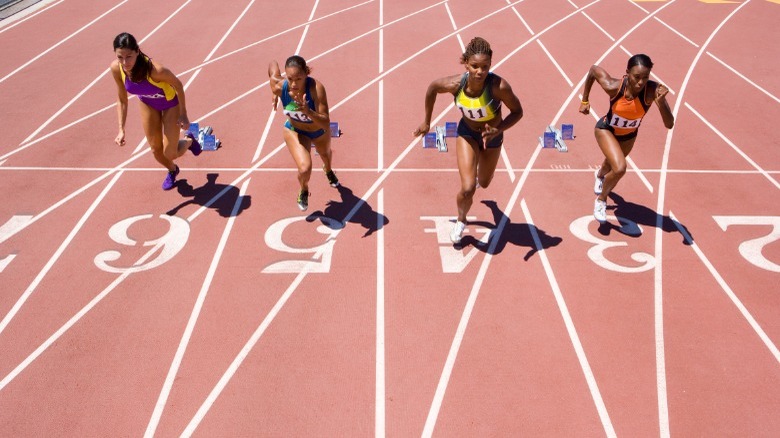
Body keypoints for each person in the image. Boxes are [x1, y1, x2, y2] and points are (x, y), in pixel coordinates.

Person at [414, 37, 523, 244]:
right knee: (467, 188)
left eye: (485, 66)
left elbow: (518, 112)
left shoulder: (499, 87)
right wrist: (427, 122)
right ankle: (461, 220)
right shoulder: (456, 85)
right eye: (474, 66)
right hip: (467, 133)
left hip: (493, 136)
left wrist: (498, 129)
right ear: (466, 63)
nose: (480, 72)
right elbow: (432, 88)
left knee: (484, 182)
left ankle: (487, 196)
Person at [579, 54, 674, 222]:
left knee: (610, 164)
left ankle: (600, 176)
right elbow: (593, 70)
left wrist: (662, 102)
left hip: (629, 136)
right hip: (606, 130)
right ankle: (601, 200)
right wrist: (585, 100)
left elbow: (669, 124)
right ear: (627, 73)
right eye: (636, 77)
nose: (640, 82)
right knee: (620, 168)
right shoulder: (614, 87)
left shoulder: (653, 91)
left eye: (645, 77)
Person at [110, 32, 208, 191]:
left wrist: (184, 114)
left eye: (129, 57)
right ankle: (172, 170)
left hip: (169, 104)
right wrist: (121, 129)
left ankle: (189, 140)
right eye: (120, 57)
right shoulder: (117, 68)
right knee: (156, 150)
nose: (124, 62)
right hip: (147, 103)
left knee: (170, 152)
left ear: (137, 51)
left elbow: (178, 85)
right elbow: (122, 99)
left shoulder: (156, 70)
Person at [268, 55, 339, 211]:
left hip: (318, 131)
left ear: (307, 73)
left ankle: (328, 170)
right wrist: (273, 91)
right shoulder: (281, 86)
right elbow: (273, 63)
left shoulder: (316, 88)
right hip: (295, 131)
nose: (293, 84)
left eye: (298, 79)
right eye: (290, 78)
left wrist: (308, 112)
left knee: (326, 154)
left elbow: (325, 122)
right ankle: (304, 190)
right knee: (305, 169)